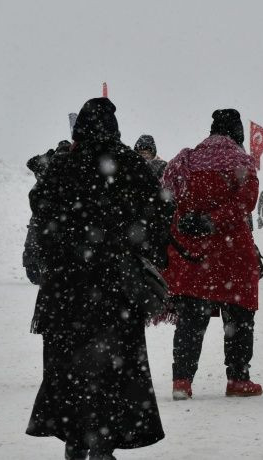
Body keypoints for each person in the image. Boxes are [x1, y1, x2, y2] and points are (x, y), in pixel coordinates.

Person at [25, 98, 171, 460]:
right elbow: (157, 221)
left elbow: (40, 220)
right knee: (113, 372)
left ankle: (75, 443)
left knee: (68, 372)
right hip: (116, 290)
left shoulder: (63, 167)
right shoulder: (132, 166)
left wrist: (59, 255)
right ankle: (103, 446)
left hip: (65, 292)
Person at [162, 108, 263, 401]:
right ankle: (238, 379)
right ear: (238, 133)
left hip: (194, 251)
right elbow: (246, 202)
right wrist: (215, 221)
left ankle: (181, 381)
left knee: (191, 317)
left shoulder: (186, 159)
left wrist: (190, 218)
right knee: (240, 316)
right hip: (232, 251)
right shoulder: (242, 162)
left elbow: (167, 194)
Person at [23, 140, 70, 284]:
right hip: (43, 212)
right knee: (34, 243)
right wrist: (48, 156)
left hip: (56, 213)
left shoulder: (70, 167)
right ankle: (38, 270)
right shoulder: (48, 165)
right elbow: (31, 163)